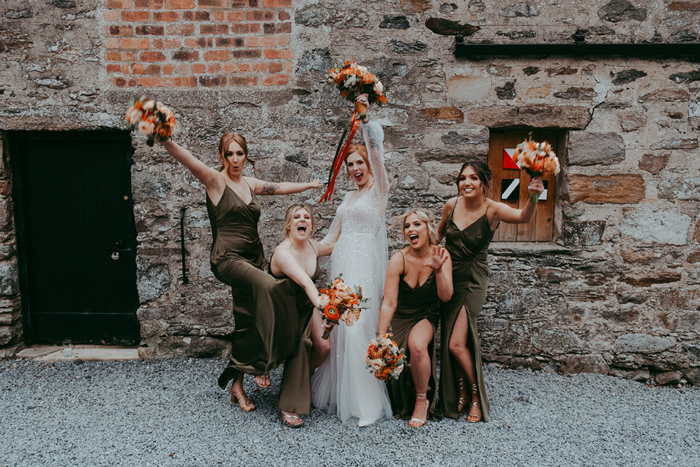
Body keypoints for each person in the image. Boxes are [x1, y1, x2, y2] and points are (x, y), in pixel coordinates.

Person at [157, 133, 320, 412]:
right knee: (273, 287)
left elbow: (278, 187)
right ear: (222, 156)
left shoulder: (249, 183)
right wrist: (164, 140)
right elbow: (188, 160)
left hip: (253, 258)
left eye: (239, 154)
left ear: (246, 156)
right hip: (228, 259)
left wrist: (309, 185)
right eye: (229, 154)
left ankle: (237, 385)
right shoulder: (215, 181)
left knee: (247, 321)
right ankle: (270, 357)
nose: (234, 159)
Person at [436, 160, 544, 423]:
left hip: (474, 277)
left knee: (455, 343)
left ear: (484, 183)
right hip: (449, 275)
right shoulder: (451, 205)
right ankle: (459, 392)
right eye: (463, 178)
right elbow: (436, 237)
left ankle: (475, 396)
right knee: (451, 341)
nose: (467, 183)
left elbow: (523, 217)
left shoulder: (492, 209)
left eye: (473, 178)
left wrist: (533, 196)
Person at [311, 94, 393, 426]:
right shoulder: (347, 198)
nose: (356, 168)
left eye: (359, 163)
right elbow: (330, 241)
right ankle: (342, 394)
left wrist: (361, 116)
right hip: (342, 266)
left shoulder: (379, 191)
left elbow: (376, 153)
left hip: (364, 266)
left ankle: (369, 404)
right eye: (351, 165)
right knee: (341, 330)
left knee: (359, 328)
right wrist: (297, 248)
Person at [377, 209, 453, 428]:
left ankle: (422, 400)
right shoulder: (398, 258)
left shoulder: (441, 254)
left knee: (417, 345)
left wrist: (439, 271)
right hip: (400, 316)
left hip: (425, 315)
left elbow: (446, 296)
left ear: (428, 228)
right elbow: (389, 302)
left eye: (417, 224)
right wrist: (381, 338)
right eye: (407, 226)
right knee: (389, 353)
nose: (411, 229)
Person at [268, 204, 334, 428]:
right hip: (284, 310)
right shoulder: (283, 253)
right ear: (289, 225)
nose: (301, 220)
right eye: (296, 217)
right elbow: (306, 282)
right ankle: (289, 404)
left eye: (306, 217)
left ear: (312, 226)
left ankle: (299, 381)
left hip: (306, 305)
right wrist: (326, 309)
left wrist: (351, 219)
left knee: (324, 347)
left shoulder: (313, 246)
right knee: (302, 344)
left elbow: (334, 245)